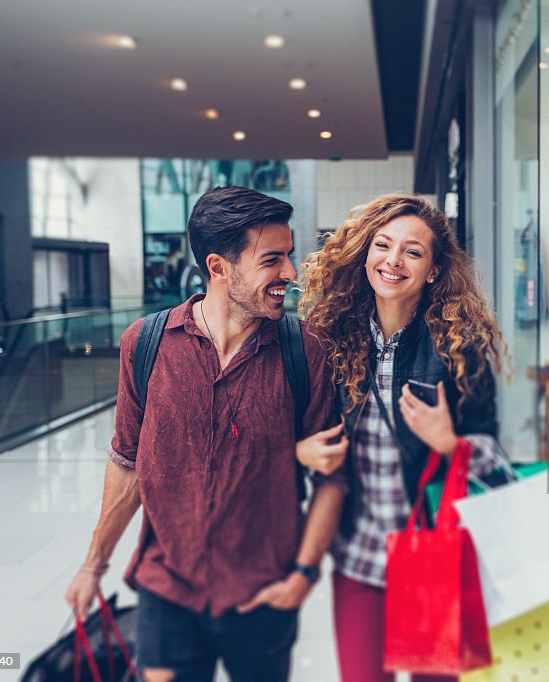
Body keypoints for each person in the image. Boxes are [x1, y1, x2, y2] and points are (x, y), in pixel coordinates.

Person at [65, 186, 349, 682]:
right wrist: (94, 565)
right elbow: (128, 463)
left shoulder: (305, 351)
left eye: (288, 256)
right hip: (167, 589)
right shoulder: (147, 344)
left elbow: (332, 478)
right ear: (219, 267)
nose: (290, 273)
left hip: (264, 590)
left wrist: (303, 575)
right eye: (272, 260)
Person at [298, 194, 509, 682]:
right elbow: (294, 428)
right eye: (383, 245)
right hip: (359, 557)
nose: (393, 261)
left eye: (413, 252)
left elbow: (494, 456)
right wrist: (301, 451)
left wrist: (449, 444)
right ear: (365, 253)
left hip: (433, 555)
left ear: (434, 269)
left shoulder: (460, 345)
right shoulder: (329, 339)